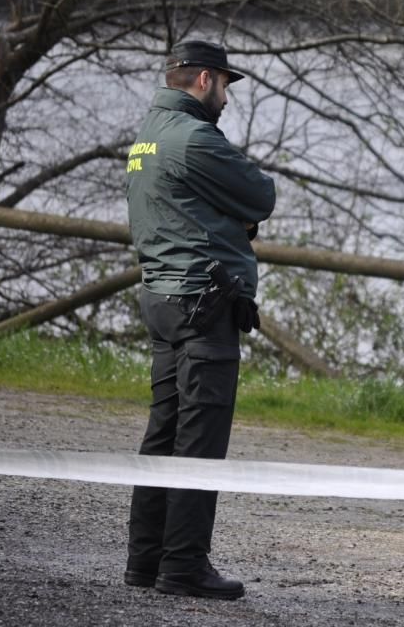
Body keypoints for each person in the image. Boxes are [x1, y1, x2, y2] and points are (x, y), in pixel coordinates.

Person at [124, 40, 276, 600]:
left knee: (162, 430)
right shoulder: (195, 138)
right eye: (226, 87)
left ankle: (145, 560)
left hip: (162, 297)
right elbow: (260, 194)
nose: (227, 100)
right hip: (202, 304)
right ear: (206, 80)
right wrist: (237, 219)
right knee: (199, 439)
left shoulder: (147, 136)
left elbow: (176, 208)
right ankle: (184, 565)